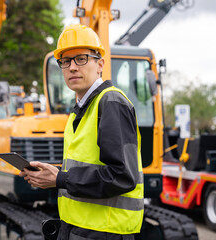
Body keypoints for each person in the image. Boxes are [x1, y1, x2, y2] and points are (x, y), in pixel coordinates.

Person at [19, 24, 144, 240]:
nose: (72, 67)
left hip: (105, 231)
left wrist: (60, 179)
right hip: (79, 228)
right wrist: (53, 173)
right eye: (65, 62)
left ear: (100, 64)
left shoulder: (111, 102)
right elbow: (84, 167)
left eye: (81, 59)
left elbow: (122, 176)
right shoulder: (80, 111)